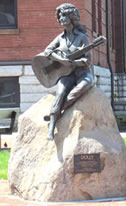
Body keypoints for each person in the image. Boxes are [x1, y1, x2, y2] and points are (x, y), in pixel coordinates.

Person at [44, 3, 94, 141]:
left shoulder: (82, 37)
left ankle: (57, 113)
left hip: (82, 72)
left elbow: (88, 61)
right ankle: (51, 129)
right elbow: (47, 51)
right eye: (60, 15)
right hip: (66, 73)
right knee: (60, 93)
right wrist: (60, 59)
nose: (61, 18)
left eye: (64, 15)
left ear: (72, 17)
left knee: (81, 88)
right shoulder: (60, 38)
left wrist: (73, 62)